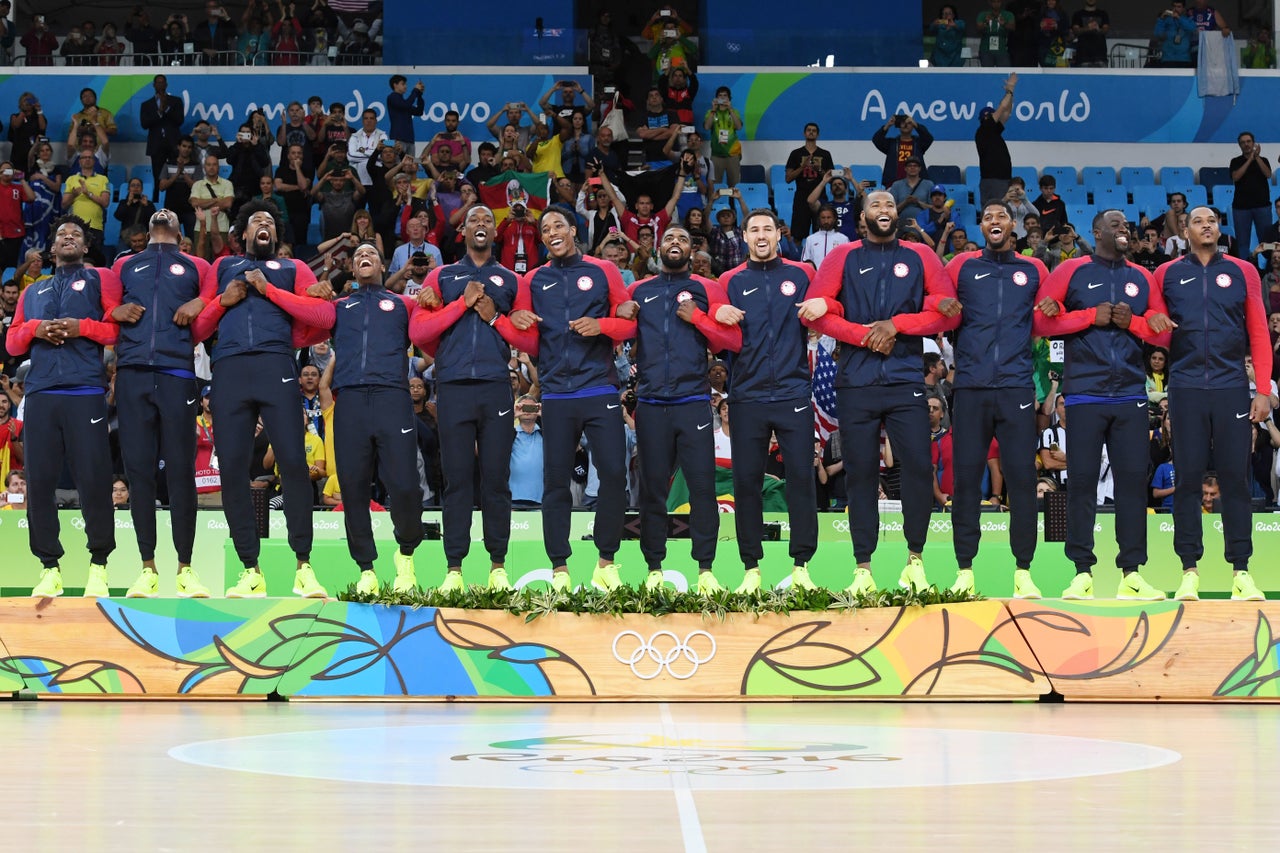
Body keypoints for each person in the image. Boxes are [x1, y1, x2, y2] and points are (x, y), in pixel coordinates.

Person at [799, 191, 956, 595]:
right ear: (863, 216)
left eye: (889, 205)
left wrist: (896, 326)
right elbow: (817, 311)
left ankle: (915, 562)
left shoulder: (921, 255)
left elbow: (944, 308)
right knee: (862, 474)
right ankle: (863, 569)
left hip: (906, 380)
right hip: (856, 381)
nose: (884, 211)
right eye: (875, 206)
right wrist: (869, 336)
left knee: (919, 468)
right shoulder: (843, 257)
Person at [265, 241, 429, 595]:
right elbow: (302, 315)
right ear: (352, 270)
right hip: (351, 401)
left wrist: (435, 297)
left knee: (404, 485)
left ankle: (406, 554)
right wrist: (299, 289)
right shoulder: (339, 308)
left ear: (382, 266)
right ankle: (366, 567)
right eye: (357, 257)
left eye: (369, 254)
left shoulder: (405, 304)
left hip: (392, 398)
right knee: (352, 489)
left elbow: (432, 326)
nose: (363, 258)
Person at [189, 200, 330, 598]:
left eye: (269, 221)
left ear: (276, 234)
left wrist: (272, 293)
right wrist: (224, 301)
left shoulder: (293, 269)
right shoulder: (221, 269)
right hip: (229, 370)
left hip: (276, 366)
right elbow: (197, 329)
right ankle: (250, 569)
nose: (264, 224)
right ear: (243, 234)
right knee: (232, 469)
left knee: (294, 464)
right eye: (256, 221)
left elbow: (324, 319)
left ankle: (304, 566)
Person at [1033, 210, 1175, 600]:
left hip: (1130, 393)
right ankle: (1082, 572)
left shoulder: (1142, 277)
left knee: (1132, 484)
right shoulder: (1071, 271)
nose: (1123, 228)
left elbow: (1162, 336)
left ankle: (1132, 572)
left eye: (1125, 224)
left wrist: (1134, 324)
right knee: (1080, 483)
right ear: (1097, 233)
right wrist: (1087, 317)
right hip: (1084, 393)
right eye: (1115, 224)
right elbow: (1040, 324)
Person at [494, 208, 636, 592]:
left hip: (599, 389)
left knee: (613, 476)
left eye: (559, 225)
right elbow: (527, 336)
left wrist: (602, 326)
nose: (552, 232)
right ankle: (559, 568)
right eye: (545, 229)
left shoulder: (603, 270)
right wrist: (509, 322)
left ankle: (606, 561)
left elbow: (629, 321)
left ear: (574, 230)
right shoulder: (533, 279)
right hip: (556, 394)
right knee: (554, 482)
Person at [1155, 206, 1271, 601]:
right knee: (1187, 481)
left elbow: (1258, 330)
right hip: (1185, 388)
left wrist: (1263, 390)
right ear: (1185, 231)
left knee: (1236, 482)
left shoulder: (1243, 271)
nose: (1208, 226)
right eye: (1199, 222)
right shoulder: (1167, 274)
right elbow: (1154, 328)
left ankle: (1241, 571)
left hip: (1232, 387)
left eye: (1213, 221)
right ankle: (1189, 571)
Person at [616, 226, 739, 594]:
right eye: (669, 238)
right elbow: (617, 332)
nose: (675, 243)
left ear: (693, 249)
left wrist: (698, 318)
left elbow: (730, 340)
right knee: (652, 489)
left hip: (693, 403)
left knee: (702, 488)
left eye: (683, 239)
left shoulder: (709, 289)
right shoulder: (639, 290)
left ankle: (705, 570)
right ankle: (654, 567)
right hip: (652, 404)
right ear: (659, 247)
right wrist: (621, 311)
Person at [5, 216, 120, 598]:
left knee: (94, 480)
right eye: (61, 235)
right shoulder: (32, 291)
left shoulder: (100, 279)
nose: (68, 238)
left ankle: (99, 565)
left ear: (85, 247)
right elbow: (12, 343)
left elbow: (114, 329)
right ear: (51, 249)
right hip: (40, 394)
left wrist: (80, 327)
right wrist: (35, 328)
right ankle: (49, 567)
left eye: (76, 235)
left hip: (85, 390)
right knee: (39, 481)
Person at [942, 200, 1051, 599]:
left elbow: (1047, 316)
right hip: (970, 386)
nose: (994, 222)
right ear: (981, 226)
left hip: (1016, 387)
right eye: (987, 217)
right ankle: (965, 569)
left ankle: (1023, 571)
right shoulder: (961, 266)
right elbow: (939, 307)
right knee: (967, 479)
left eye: (1001, 216)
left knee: (1021, 478)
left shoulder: (1034, 269)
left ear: (1014, 226)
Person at [413, 205, 521, 592]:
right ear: (461, 231)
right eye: (473, 219)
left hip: (495, 386)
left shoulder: (509, 280)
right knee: (456, 480)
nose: (480, 224)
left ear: (496, 232)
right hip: (454, 386)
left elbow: (520, 334)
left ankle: (497, 566)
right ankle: (454, 569)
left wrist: (497, 316)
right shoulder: (443, 276)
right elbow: (420, 329)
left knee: (496, 479)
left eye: (487, 220)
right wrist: (450, 300)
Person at [712, 208, 820, 593]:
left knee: (801, 480)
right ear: (744, 237)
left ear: (778, 235)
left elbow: (826, 311)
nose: (761, 235)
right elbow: (712, 326)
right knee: (746, 483)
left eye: (767, 229)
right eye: (753, 229)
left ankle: (802, 567)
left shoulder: (801, 275)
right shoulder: (729, 281)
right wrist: (713, 309)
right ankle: (751, 569)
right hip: (747, 395)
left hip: (793, 392)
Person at [111, 210, 214, 599]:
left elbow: (218, 295)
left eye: (171, 213)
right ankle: (147, 568)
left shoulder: (196, 265)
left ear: (180, 232)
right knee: (137, 471)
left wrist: (201, 302)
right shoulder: (124, 265)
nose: (163, 210)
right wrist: (112, 312)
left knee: (181, 472)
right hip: (133, 371)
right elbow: (105, 306)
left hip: (177, 372)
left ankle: (186, 568)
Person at [974, 73, 1017, 206]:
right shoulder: (983, 130)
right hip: (993, 180)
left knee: (1002, 212)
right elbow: (1003, 108)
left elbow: (1007, 112)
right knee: (996, 211)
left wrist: (1010, 94)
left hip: (1002, 179)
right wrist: (1010, 89)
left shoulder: (993, 131)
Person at [785, 123, 834, 239]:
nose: (811, 132)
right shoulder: (795, 153)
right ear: (804, 133)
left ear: (818, 134)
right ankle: (798, 257)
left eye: (814, 130)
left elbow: (831, 179)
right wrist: (803, 167)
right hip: (801, 197)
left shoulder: (825, 154)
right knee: (798, 234)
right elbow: (788, 178)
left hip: (820, 197)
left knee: (822, 233)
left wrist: (819, 169)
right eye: (809, 130)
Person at [1229, 131, 1273, 260]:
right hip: (1241, 208)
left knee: (1266, 242)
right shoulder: (1235, 161)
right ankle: (1245, 271)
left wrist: (1257, 157)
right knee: (1243, 243)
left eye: (1248, 141)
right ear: (1239, 145)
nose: (1246, 144)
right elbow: (1236, 177)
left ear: (1253, 143)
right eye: (1243, 142)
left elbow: (1268, 174)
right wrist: (1250, 159)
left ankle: (1268, 269)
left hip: (1262, 207)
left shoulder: (1263, 160)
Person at [139, 74, 185, 184]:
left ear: (166, 84)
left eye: (162, 82)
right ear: (154, 85)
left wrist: (166, 108)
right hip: (156, 145)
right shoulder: (146, 104)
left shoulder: (176, 101)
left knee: (176, 174)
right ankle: (158, 199)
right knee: (158, 176)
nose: (160, 84)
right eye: (158, 82)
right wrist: (159, 112)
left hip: (173, 144)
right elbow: (145, 124)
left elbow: (179, 121)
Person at [872, 115, 933, 192]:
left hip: (916, 184)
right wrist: (888, 125)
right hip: (893, 184)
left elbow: (929, 138)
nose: (906, 125)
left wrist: (916, 124)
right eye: (902, 123)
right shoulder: (891, 144)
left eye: (909, 123)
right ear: (898, 125)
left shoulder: (919, 143)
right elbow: (876, 140)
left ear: (913, 125)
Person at [386, 75, 425, 148]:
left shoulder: (404, 102)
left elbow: (419, 112)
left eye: (406, 84)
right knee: (398, 160)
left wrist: (419, 95)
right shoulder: (392, 97)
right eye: (403, 84)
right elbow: (405, 105)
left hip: (410, 140)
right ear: (395, 85)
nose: (406, 86)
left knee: (410, 159)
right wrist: (415, 90)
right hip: (397, 139)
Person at [1155, 2, 1197, 68]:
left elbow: (1192, 28)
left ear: (1183, 8)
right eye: (1174, 6)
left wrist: (1179, 18)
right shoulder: (1166, 20)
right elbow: (1158, 34)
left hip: (1184, 59)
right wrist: (1161, 19)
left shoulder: (1188, 20)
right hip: (1168, 58)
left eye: (1179, 7)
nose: (1176, 9)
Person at [976, 0, 1014, 66]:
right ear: (989, 2)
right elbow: (978, 29)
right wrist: (986, 22)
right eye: (994, 2)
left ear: (1002, 2)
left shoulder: (1008, 14)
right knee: (987, 74)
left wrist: (1004, 23)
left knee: (1004, 73)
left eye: (998, 1)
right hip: (986, 50)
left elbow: (1013, 28)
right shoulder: (983, 14)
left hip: (1002, 50)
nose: (996, 4)